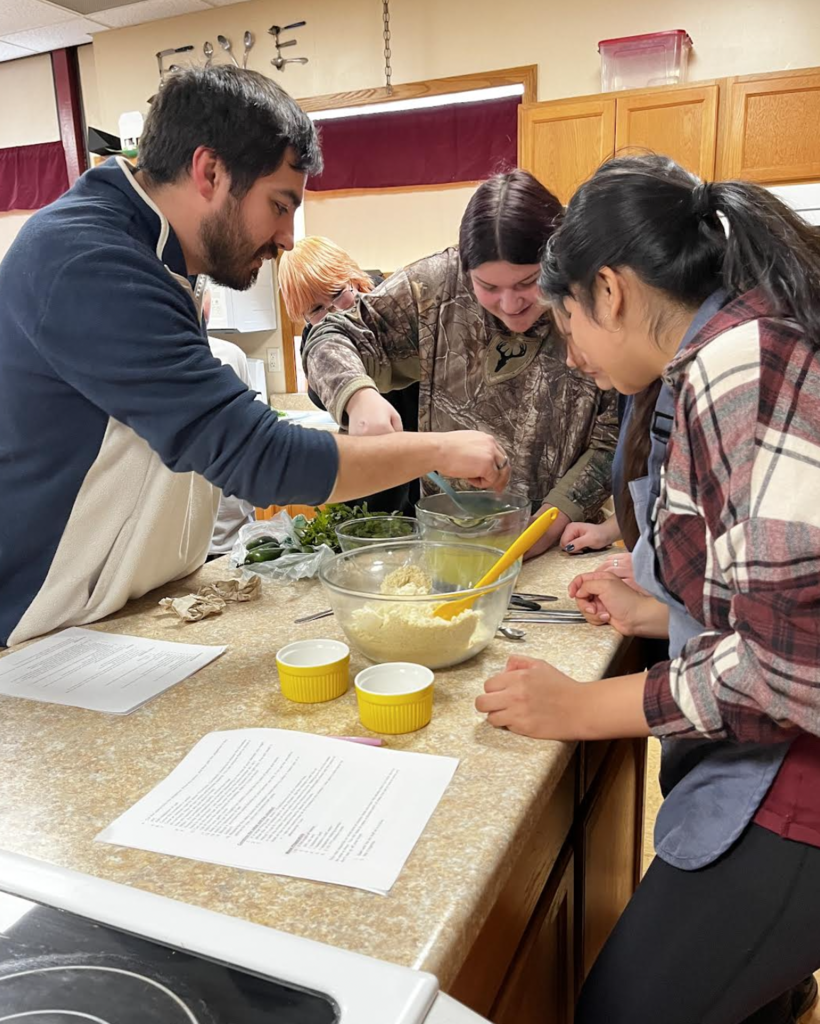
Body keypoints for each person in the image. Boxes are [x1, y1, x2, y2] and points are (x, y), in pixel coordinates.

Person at [477, 154, 820, 1024]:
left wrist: (583, 709)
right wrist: (664, 603)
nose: (572, 354)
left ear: (610, 290)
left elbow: (788, 672)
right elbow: (770, 583)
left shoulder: (737, 364)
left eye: (566, 323)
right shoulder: (736, 338)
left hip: (801, 783)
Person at [0, 66, 510, 648]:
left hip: (121, 612)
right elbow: (260, 459)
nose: (288, 237)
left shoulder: (150, 252)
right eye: (279, 205)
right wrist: (443, 449)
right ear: (210, 172)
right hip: (44, 621)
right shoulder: (89, 261)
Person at [302, 170, 619, 557]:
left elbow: (612, 439)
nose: (510, 304)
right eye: (488, 287)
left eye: (527, 283)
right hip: (447, 544)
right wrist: (358, 397)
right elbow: (330, 335)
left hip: (558, 539)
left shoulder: (589, 294)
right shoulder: (436, 286)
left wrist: (547, 524)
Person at [278, 235, 420, 514]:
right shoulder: (316, 343)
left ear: (354, 280)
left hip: (429, 459)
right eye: (317, 309)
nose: (334, 313)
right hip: (376, 484)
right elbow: (319, 392)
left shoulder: (398, 307)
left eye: (336, 294)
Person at [199, 288, 257, 558]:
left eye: (202, 294)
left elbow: (249, 439)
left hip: (234, 533)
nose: (199, 305)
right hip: (188, 545)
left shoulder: (231, 356)